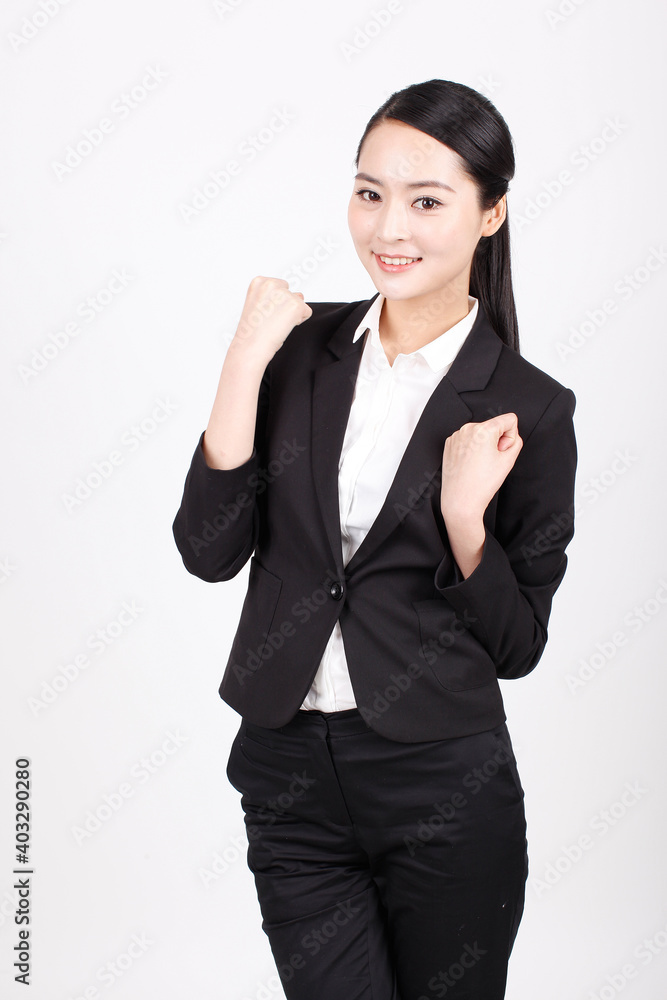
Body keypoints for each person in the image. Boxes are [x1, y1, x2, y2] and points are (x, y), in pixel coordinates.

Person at [172, 79, 578, 1000]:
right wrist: (242, 363)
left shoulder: (533, 408)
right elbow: (207, 549)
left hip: (441, 785)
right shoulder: (291, 350)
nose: (388, 227)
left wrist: (465, 525)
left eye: (426, 201)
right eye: (369, 193)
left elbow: (519, 647)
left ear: (489, 214)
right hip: (288, 779)